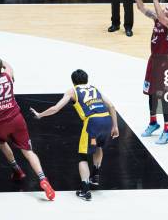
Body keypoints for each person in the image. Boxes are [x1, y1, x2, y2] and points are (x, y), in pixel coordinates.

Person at [30, 69, 119, 201]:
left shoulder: (72, 91)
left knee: (82, 156)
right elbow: (111, 106)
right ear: (87, 79)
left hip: (92, 123)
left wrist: (40, 114)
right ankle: (95, 173)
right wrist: (115, 126)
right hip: (106, 120)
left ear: (73, 81)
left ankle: (85, 190)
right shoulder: (95, 88)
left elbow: (56, 108)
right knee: (97, 146)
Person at [0, 52, 56, 201]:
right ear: (1, 68)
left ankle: (17, 169)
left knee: (2, 142)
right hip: (17, 118)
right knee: (28, 151)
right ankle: (43, 179)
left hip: (1, 122)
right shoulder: (8, 75)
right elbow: (9, 66)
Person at [134, 0, 168, 144]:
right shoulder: (157, 19)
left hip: (165, 64)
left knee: (164, 95)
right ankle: (153, 122)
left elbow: (160, 15)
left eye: (167, 8)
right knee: (151, 92)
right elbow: (141, 8)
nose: (163, 9)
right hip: (153, 61)